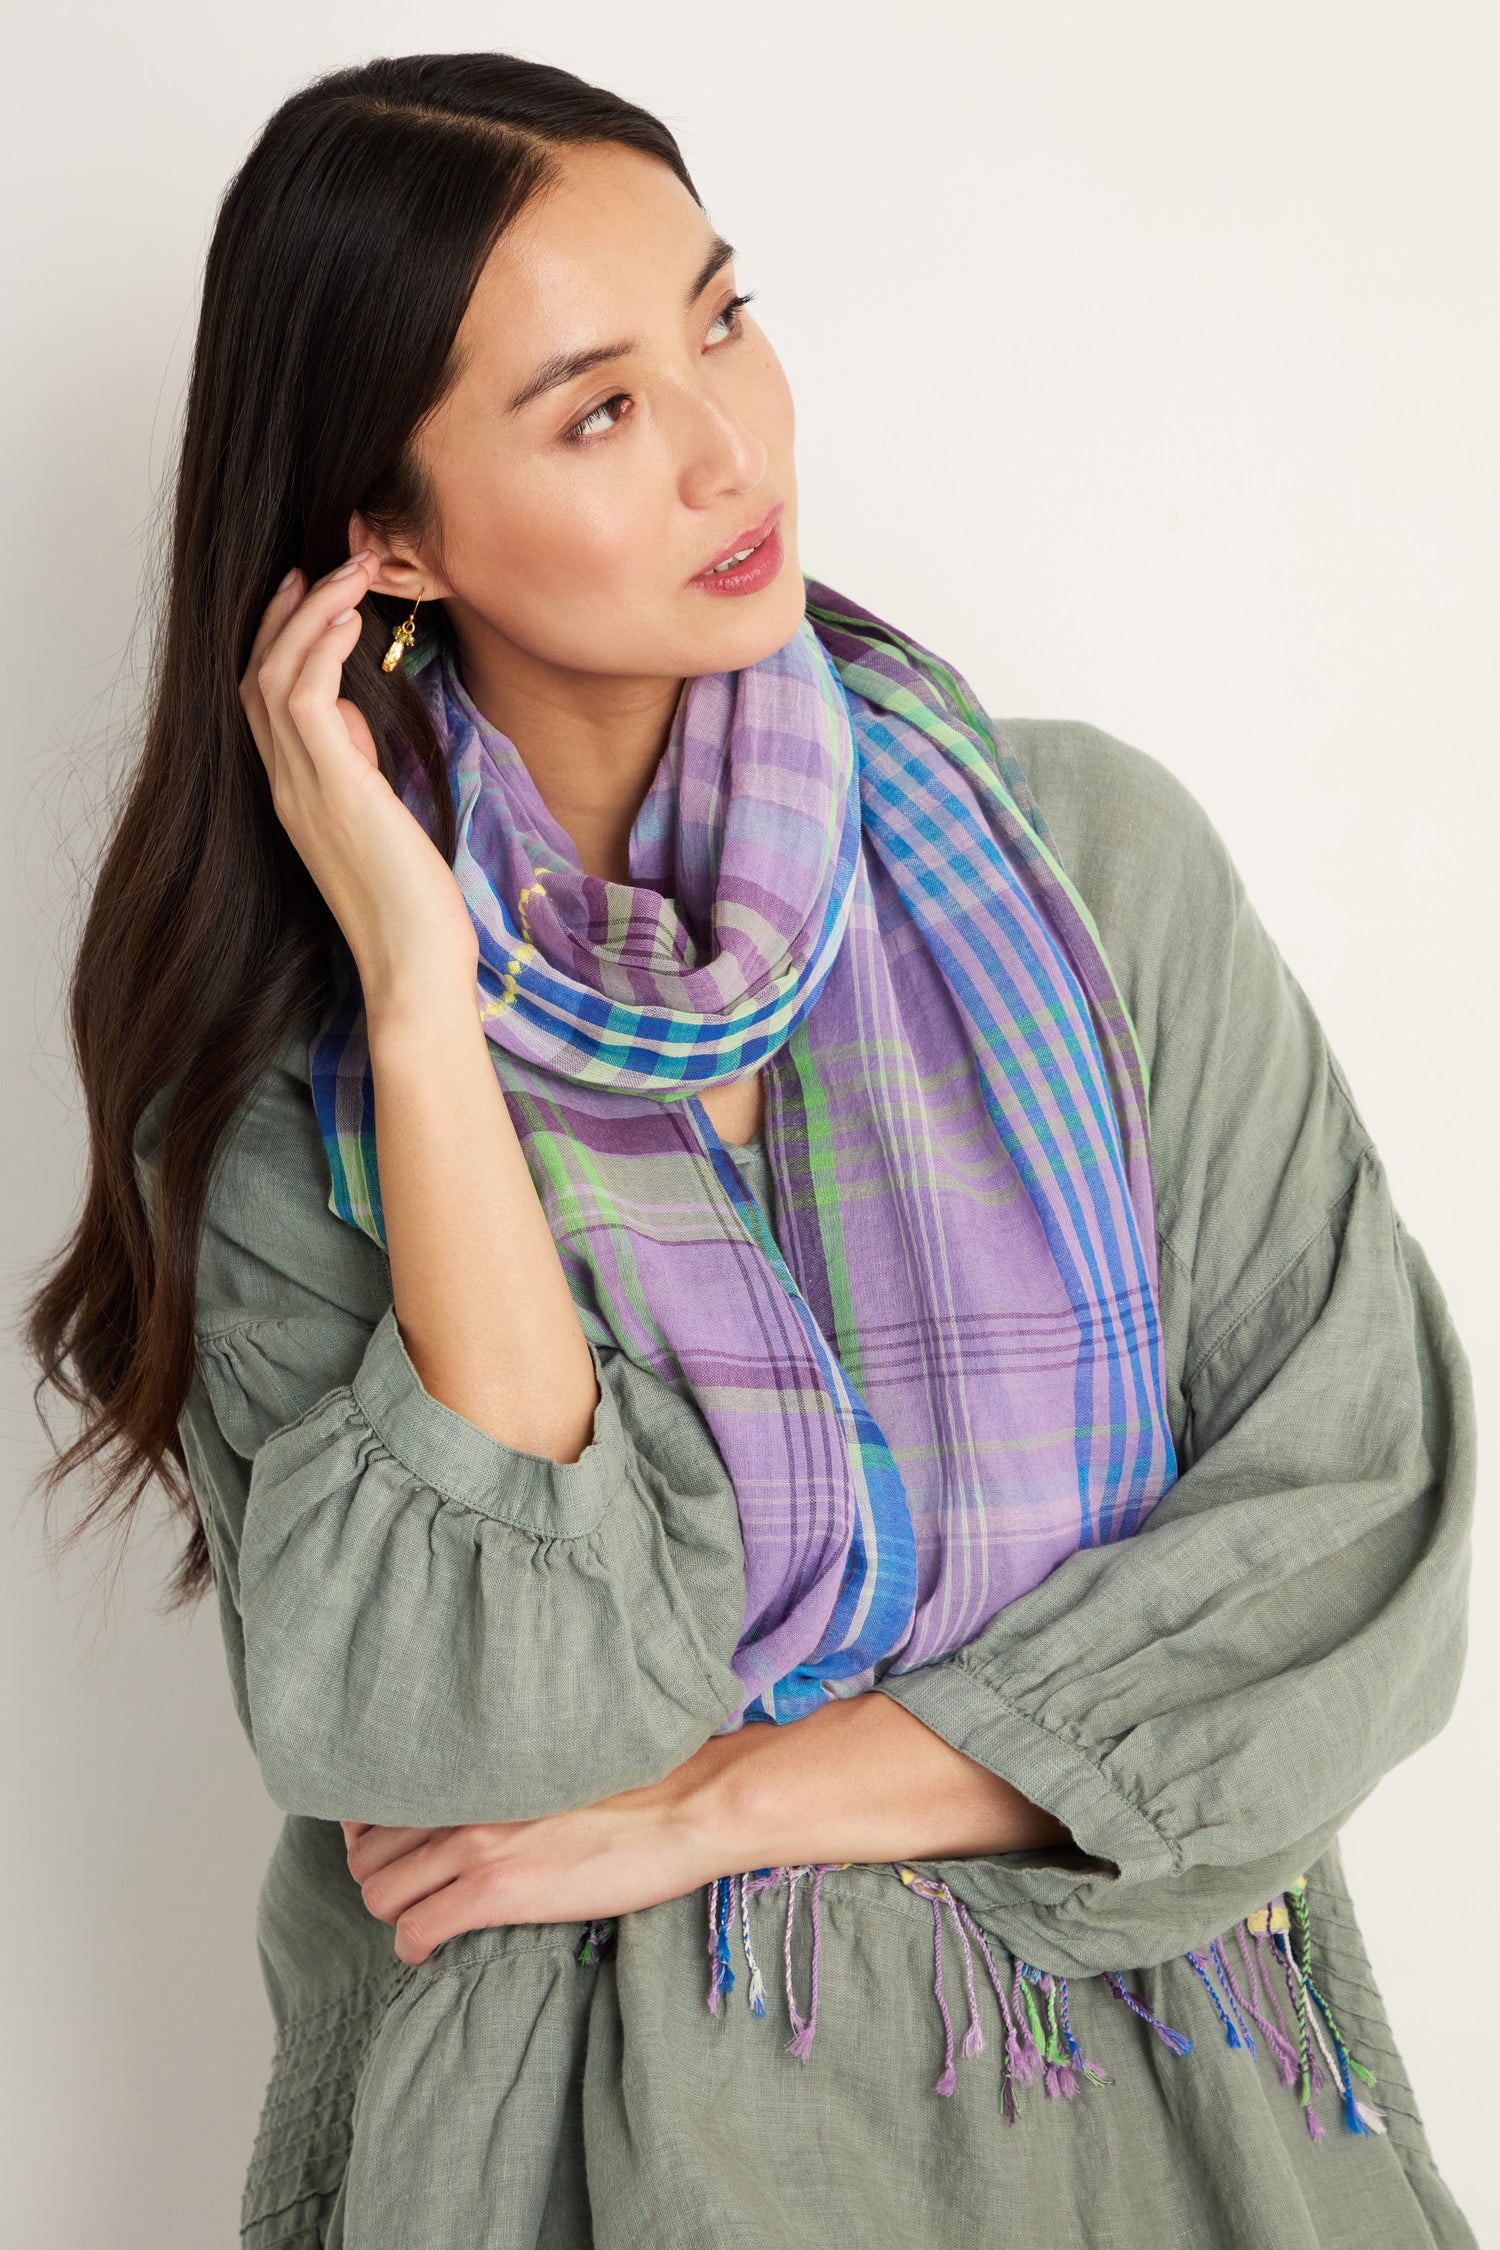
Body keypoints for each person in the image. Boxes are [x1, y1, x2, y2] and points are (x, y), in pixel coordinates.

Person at [25, 49, 1478, 2250]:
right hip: (602, 2151)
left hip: (1170, 2126)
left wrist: (719, 1804)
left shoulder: (1083, 869)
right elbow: (487, 1719)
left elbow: (1353, 1528)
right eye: (597, 406)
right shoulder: (282, 1081)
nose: (729, 444)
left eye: (722, 317)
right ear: (390, 534)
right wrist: (422, 1004)